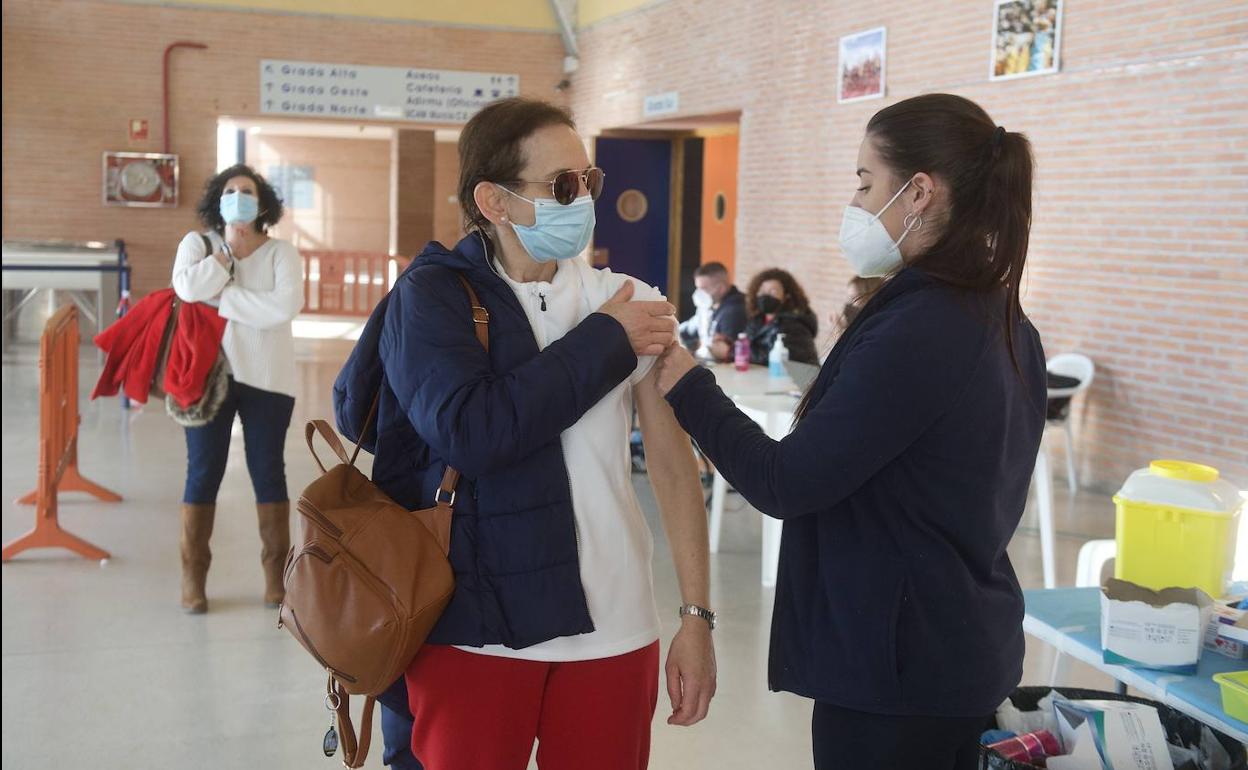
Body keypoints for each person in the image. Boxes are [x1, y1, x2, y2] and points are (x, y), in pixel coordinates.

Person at [654, 93, 1047, 769]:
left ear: (919, 192)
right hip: (953, 646)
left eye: (866, 182)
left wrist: (684, 381)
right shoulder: (1001, 319)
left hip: (900, 671)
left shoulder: (921, 327)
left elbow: (786, 481)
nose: (856, 202)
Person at [334, 97, 716, 770]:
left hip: (616, 624)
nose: (583, 200)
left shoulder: (630, 296)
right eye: (562, 186)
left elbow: (672, 462)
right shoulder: (432, 298)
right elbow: (470, 433)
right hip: (475, 630)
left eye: (588, 181)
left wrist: (696, 616)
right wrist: (607, 341)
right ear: (495, 200)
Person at [171, 164, 304, 614]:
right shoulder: (200, 245)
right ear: (218, 199)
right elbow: (187, 289)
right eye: (230, 191)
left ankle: (275, 579)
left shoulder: (282, 253)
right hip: (209, 378)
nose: (238, 197)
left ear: (262, 201)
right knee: (202, 470)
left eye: (246, 191)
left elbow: (283, 308)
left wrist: (222, 301)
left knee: (267, 470)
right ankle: (194, 579)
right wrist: (226, 256)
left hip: (269, 378)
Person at [742, 268, 819, 366]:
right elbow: (744, 345)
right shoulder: (756, 320)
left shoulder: (795, 324)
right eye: (761, 291)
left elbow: (775, 358)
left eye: (773, 291)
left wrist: (733, 351)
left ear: (786, 296)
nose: (765, 295)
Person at [677, 261, 747, 360]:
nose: (699, 293)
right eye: (698, 288)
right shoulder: (707, 307)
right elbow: (687, 329)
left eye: (703, 289)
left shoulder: (734, 311)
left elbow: (724, 352)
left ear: (721, 288)